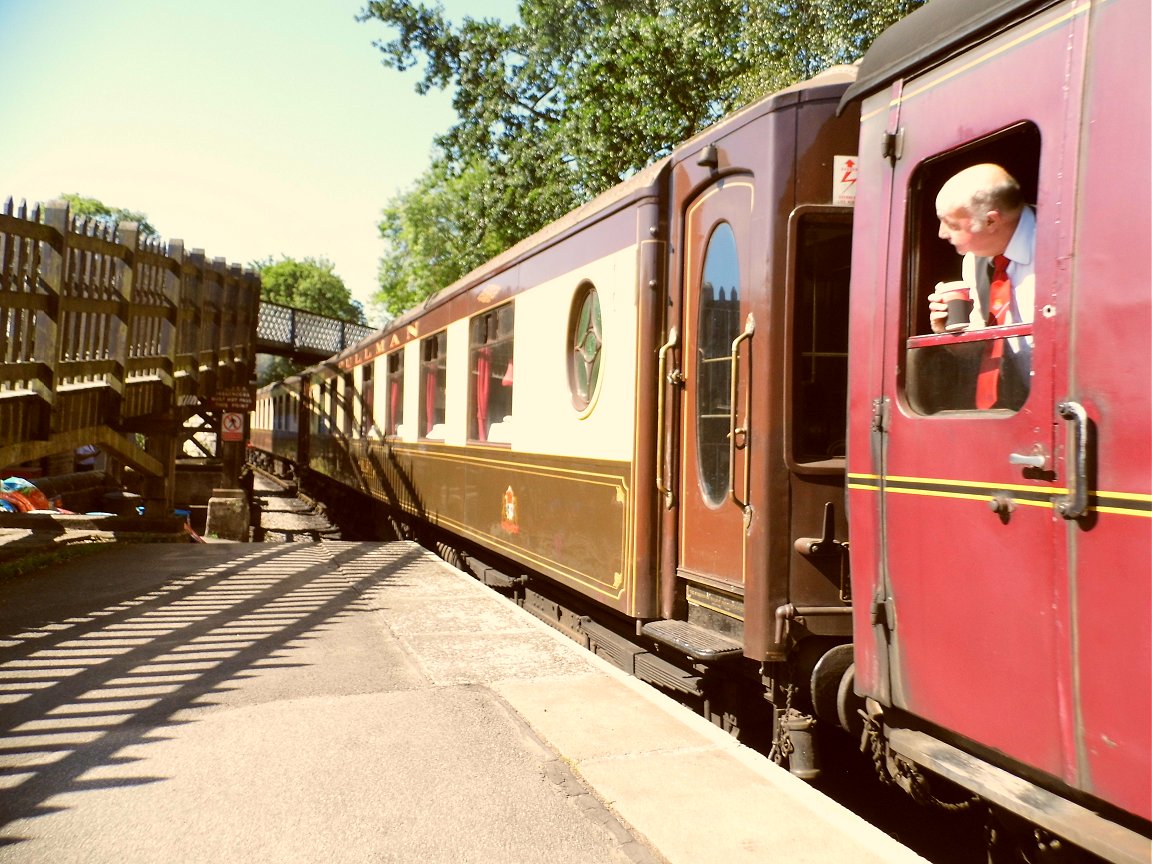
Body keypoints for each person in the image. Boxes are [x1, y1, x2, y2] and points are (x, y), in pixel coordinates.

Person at [927, 163, 1036, 409]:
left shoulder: (1059, 248)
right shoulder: (975, 260)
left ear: (990, 221)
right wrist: (950, 331)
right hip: (1016, 409)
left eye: (952, 225)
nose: (941, 234)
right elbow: (982, 350)